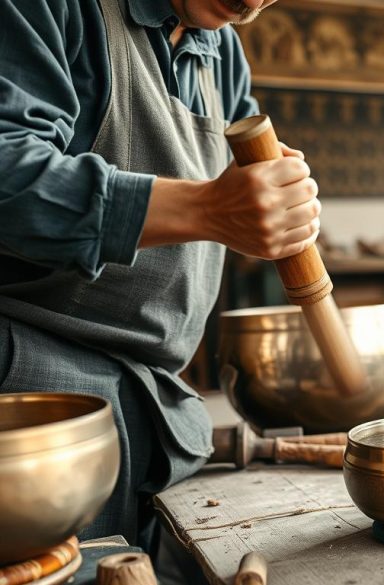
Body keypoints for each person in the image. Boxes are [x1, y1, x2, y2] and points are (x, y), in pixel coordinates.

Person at [0, 0, 320, 550]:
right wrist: (208, 210)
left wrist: (279, 206)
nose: (251, 2)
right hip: (31, 412)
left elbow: (247, 179)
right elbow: (7, 174)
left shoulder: (221, 51)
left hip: (154, 404)